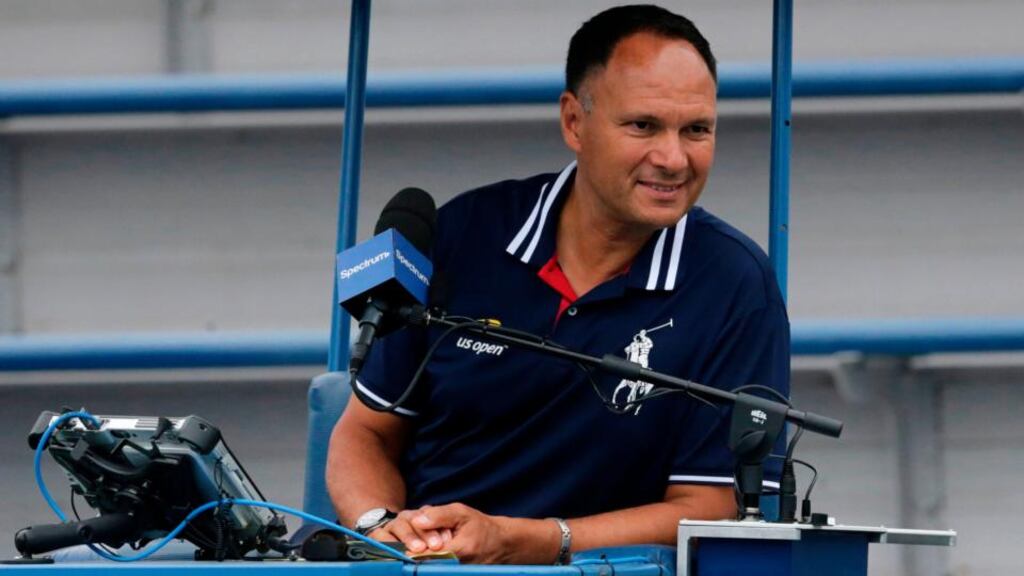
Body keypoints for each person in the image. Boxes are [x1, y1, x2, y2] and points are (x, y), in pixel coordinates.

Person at [326, 4, 789, 565]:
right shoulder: (463, 230)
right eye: (643, 125)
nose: (673, 158)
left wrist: (528, 542)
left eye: (696, 130)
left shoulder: (736, 281)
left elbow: (714, 506)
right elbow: (365, 433)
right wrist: (384, 531)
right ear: (574, 122)